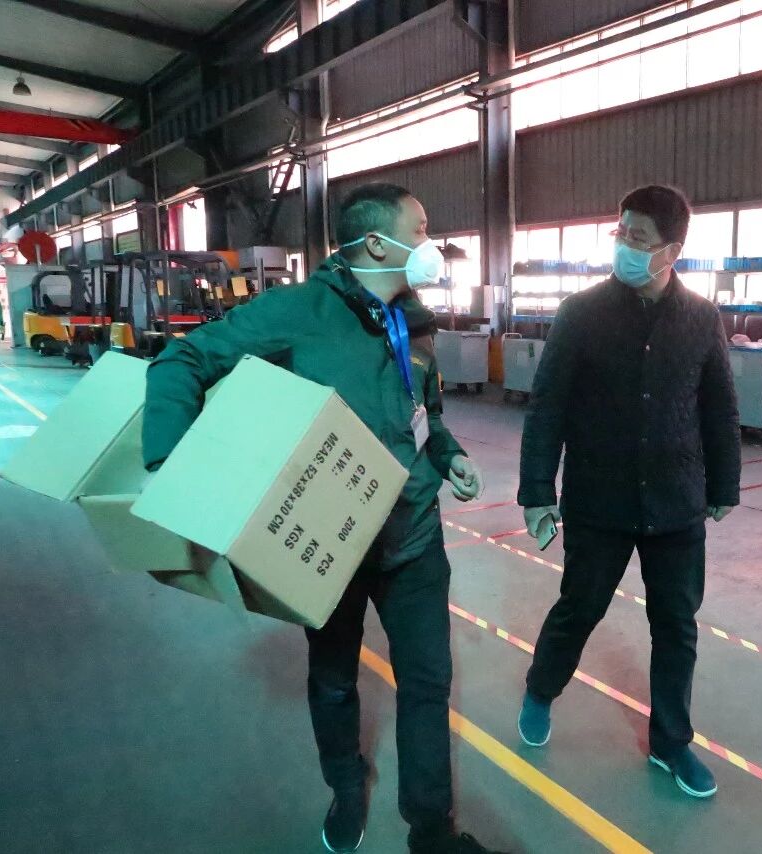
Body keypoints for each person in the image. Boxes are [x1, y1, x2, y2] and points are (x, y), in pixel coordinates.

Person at [141, 183, 504, 854]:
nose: (431, 244)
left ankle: (431, 828)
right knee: (335, 681)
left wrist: (447, 454)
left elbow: (424, 410)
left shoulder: (415, 320)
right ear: (377, 244)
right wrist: (175, 465)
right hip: (333, 547)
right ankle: (346, 785)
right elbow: (182, 358)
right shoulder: (297, 312)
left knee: (428, 682)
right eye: (420, 229)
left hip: (415, 538)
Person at [515, 185, 742, 799]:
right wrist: (537, 491)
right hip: (600, 500)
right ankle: (540, 690)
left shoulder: (701, 319)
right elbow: (547, 407)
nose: (624, 245)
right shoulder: (581, 313)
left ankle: (671, 744)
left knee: (677, 626)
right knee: (580, 609)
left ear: (672, 251)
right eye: (620, 233)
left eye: (638, 238)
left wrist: (724, 483)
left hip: (676, 503)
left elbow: (719, 407)